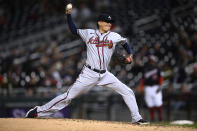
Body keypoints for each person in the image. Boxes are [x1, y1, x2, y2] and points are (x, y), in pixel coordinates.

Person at [25, 3, 148, 125]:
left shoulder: (114, 36)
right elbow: (74, 30)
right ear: (100, 22)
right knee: (68, 97)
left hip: (105, 74)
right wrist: (68, 15)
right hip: (89, 73)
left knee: (127, 91)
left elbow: (125, 42)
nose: (109, 24)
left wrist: (130, 55)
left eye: (110, 22)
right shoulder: (88, 33)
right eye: (106, 22)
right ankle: (38, 111)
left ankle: (136, 118)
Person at [139, 55, 163, 122]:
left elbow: (160, 78)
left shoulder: (157, 68)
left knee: (158, 103)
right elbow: (143, 79)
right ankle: (153, 118)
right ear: (148, 61)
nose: (152, 62)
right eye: (150, 61)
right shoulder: (145, 68)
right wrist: (141, 87)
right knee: (150, 103)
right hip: (148, 87)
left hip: (156, 87)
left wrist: (160, 86)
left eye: (153, 61)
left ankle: (160, 118)